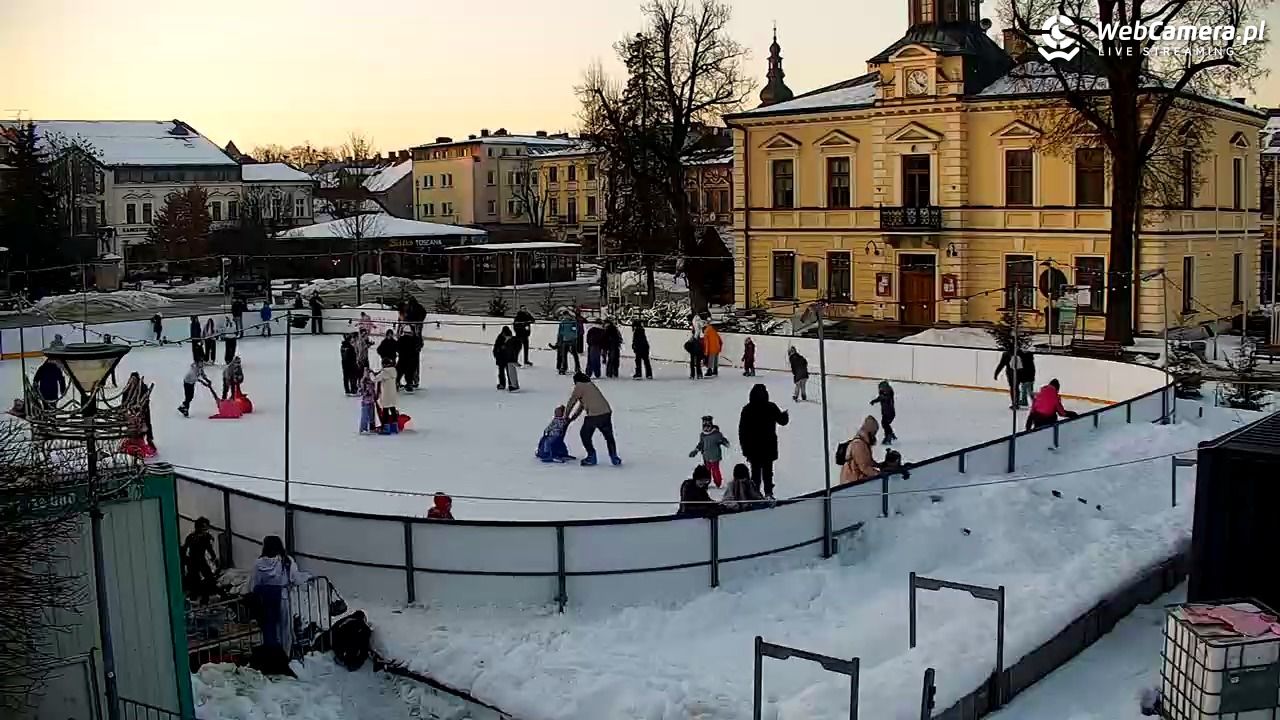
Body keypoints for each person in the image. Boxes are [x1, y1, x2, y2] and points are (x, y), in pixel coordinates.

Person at [249, 535, 302, 655]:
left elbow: (255, 583)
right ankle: (285, 655)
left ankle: (273, 655)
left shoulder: (258, 563)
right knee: (285, 629)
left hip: (266, 600)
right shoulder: (286, 561)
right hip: (283, 598)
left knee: (270, 629)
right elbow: (295, 579)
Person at [738, 384, 790, 499]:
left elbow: (742, 431)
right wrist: (785, 415)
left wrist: (745, 448)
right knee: (768, 472)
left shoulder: (747, 409)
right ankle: (768, 493)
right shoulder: (771, 407)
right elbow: (782, 421)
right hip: (768, 446)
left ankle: (755, 494)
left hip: (753, 448)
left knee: (755, 473)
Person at [566, 373, 620, 466]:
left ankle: (591, 457)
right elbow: (582, 405)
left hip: (594, 415)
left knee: (585, 434)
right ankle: (614, 457)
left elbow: (572, 401)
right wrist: (573, 417)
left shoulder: (579, 386)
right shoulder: (590, 385)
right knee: (608, 436)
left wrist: (566, 416)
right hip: (606, 412)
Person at [182, 517, 219, 602]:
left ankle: (204, 597)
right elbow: (185, 550)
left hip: (199, 561)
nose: (206, 531)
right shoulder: (194, 538)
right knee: (197, 580)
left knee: (207, 578)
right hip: (194, 561)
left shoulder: (203, 537)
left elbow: (209, 549)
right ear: (198, 528)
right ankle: (196, 597)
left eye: (206, 529)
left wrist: (214, 558)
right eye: (204, 529)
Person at [689, 415, 730, 488]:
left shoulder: (717, 434)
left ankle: (718, 483)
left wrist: (725, 442)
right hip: (706, 456)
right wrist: (696, 450)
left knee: (715, 470)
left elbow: (723, 440)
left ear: (711, 425)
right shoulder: (703, 435)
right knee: (707, 471)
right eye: (704, 426)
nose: (706, 428)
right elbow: (701, 444)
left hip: (715, 456)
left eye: (708, 426)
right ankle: (706, 483)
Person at [839, 416, 881, 486]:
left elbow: (867, 461)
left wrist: (880, 465)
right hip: (852, 482)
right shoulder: (858, 444)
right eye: (874, 432)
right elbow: (864, 468)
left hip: (857, 481)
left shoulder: (864, 443)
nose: (875, 435)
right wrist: (879, 475)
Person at [376, 358, 401, 433]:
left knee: (385, 412)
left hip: (386, 394)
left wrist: (370, 373)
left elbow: (375, 379)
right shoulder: (394, 371)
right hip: (392, 394)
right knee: (393, 409)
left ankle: (385, 428)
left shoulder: (384, 373)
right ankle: (394, 427)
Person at [870, 380, 898, 445]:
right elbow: (880, 398)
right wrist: (874, 401)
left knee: (885, 424)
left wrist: (875, 400)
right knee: (885, 424)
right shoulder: (884, 393)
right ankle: (890, 434)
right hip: (886, 412)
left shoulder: (888, 393)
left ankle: (888, 436)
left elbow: (883, 398)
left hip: (889, 413)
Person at [555, 311, 580, 375]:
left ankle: (577, 367)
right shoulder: (562, 322)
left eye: (566, 315)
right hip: (564, 340)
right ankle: (564, 367)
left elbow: (575, 331)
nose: (565, 317)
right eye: (564, 316)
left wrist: (573, 339)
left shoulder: (572, 322)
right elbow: (560, 332)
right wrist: (559, 340)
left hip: (572, 341)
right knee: (564, 355)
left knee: (574, 354)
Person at [358, 368, 378, 433]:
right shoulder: (364, 382)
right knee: (365, 415)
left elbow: (374, 391)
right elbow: (362, 391)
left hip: (372, 401)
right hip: (366, 402)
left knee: (372, 415)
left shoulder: (372, 382)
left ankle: (372, 427)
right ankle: (363, 428)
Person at [503, 327, 522, 392]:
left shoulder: (509, 342)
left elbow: (510, 351)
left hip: (510, 360)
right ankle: (515, 385)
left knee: (512, 374)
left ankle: (514, 386)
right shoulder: (514, 341)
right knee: (513, 373)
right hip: (512, 359)